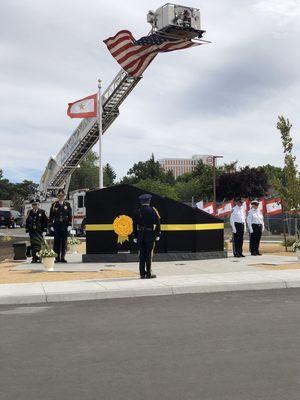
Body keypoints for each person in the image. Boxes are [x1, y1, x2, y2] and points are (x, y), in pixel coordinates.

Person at [133, 194, 161, 279]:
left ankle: (142, 274)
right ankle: (149, 273)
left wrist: (135, 236)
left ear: (141, 202)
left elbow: (134, 225)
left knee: (142, 255)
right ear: (149, 201)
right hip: (150, 235)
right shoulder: (153, 210)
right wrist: (157, 234)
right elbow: (157, 223)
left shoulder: (138, 211)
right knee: (149, 254)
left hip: (141, 235)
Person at [49, 190, 72, 263]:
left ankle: (63, 257)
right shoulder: (54, 205)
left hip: (64, 226)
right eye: (59, 196)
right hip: (57, 226)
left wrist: (69, 225)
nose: (61, 197)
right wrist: (51, 225)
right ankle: (57, 257)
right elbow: (51, 216)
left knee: (64, 242)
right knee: (56, 242)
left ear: (64, 196)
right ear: (58, 197)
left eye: (62, 196)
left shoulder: (67, 205)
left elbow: (70, 215)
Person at [25, 199, 48, 263]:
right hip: (32, 231)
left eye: (36, 204)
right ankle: (34, 258)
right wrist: (27, 230)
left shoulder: (42, 212)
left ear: (38, 205)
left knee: (39, 244)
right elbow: (27, 221)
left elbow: (45, 222)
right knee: (33, 245)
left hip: (39, 231)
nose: (34, 206)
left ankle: (39, 257)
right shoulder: (29, 212)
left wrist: (45, 230)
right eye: (33, 204)